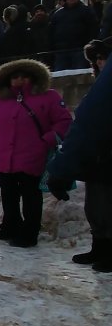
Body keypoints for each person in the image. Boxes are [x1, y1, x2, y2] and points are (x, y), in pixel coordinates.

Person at [0, 58, 72, 248]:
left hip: (32, 155)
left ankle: (29, 233)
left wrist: (47, 140)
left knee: (31, 195)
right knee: (8, 194)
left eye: (24, 76)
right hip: (2, 155)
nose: (19, 80)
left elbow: (63, 122)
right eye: (15, 77)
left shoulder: (49, 97)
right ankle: (10, 226)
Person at [47, 39, 112, 272]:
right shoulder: (99, 86)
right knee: (97, 205)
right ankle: (101, 246)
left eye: (102, 58)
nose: (99, 64)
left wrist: (62, 168)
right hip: (98, 158)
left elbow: (88, 124)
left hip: (103, 153)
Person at [48, 0, 98, 71]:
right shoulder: (57, 14)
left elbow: (94, 28)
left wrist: (89, 44)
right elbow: (51, 32)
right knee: (60, 76)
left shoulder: (86, 11)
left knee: (80, 74)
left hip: (79, 50)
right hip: (61, 51)